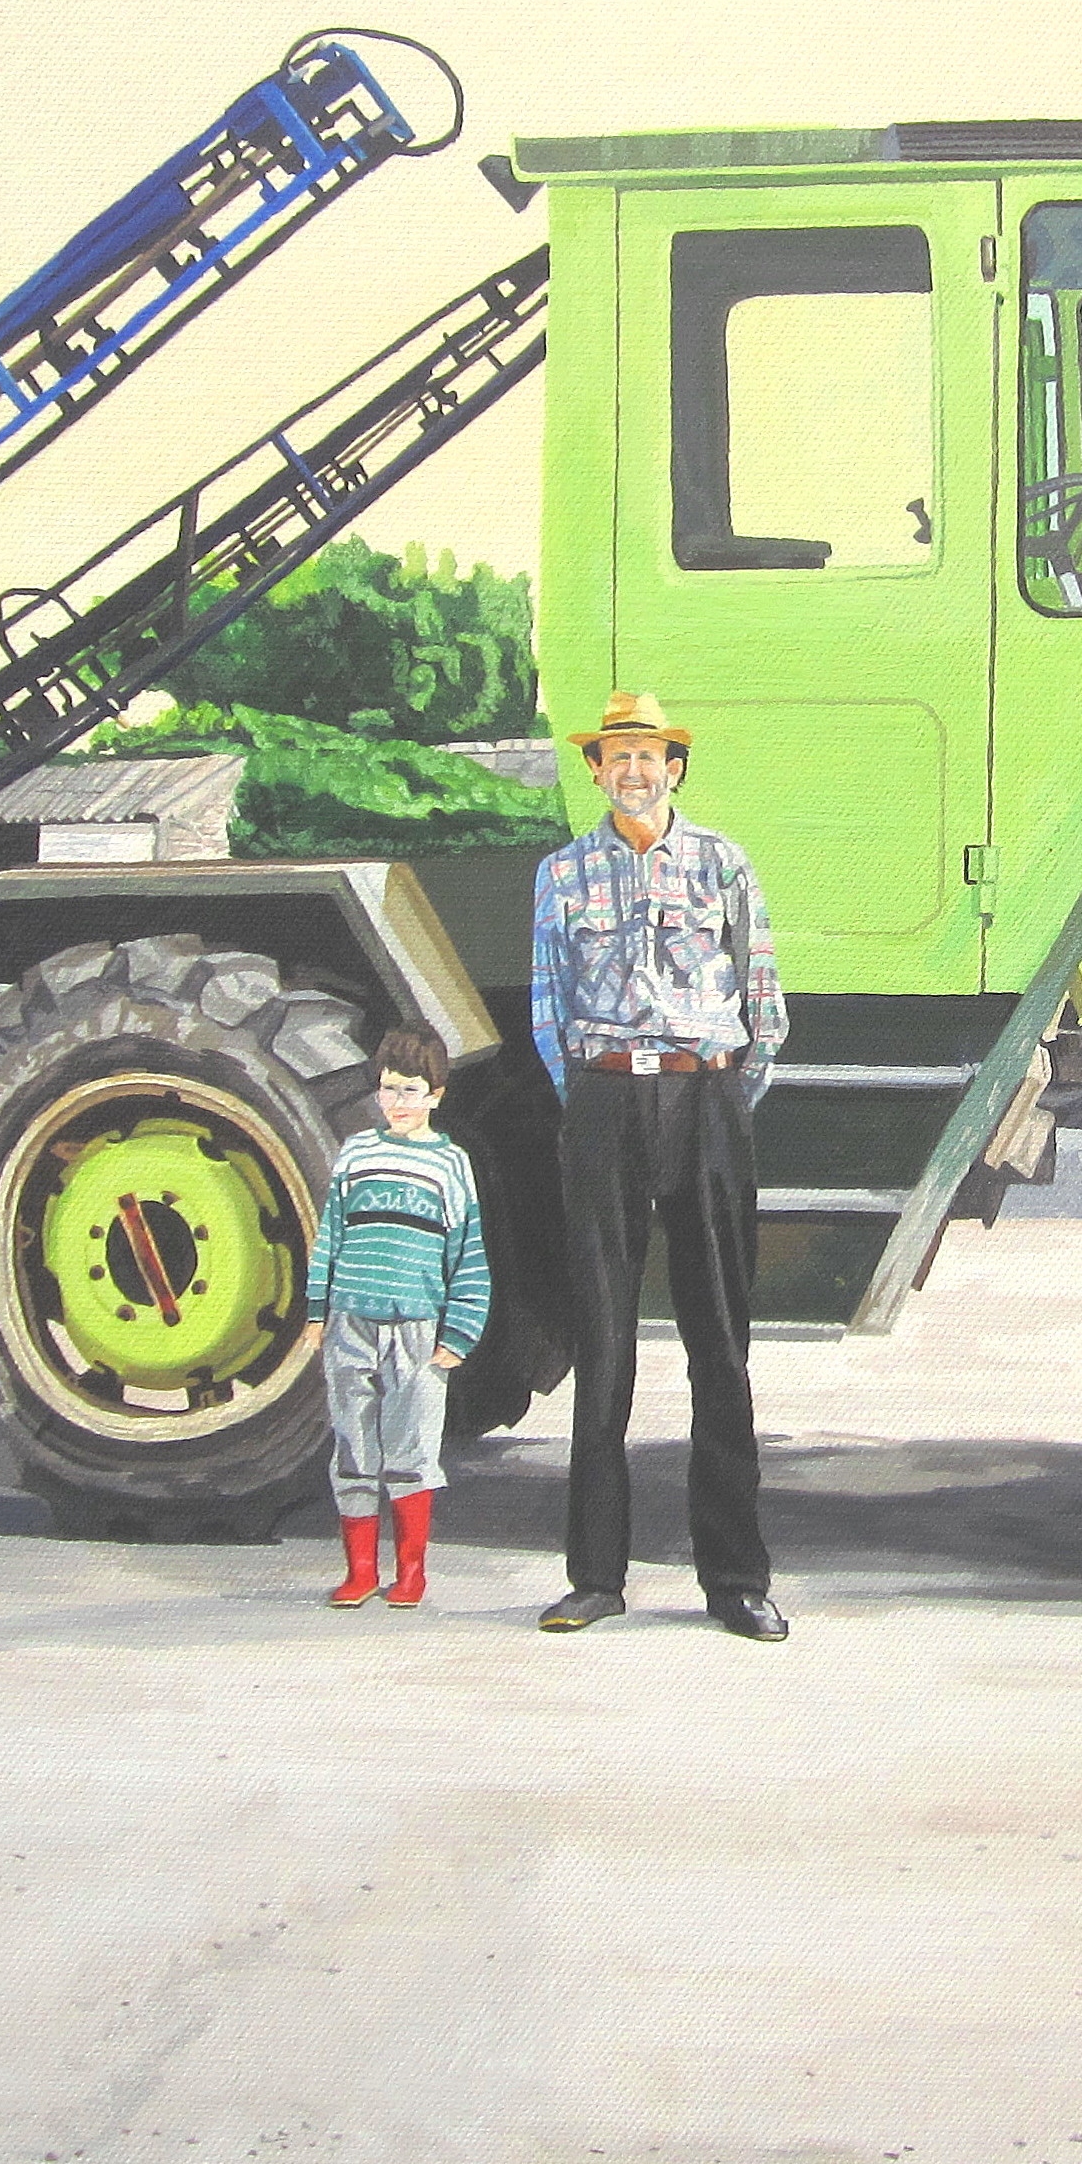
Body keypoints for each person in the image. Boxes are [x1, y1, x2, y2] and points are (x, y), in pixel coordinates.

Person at [528, 691, 790, 1640]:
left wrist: (718, 1091)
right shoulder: (562, 874)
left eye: (649, 755)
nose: (633, 771)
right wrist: (598, 1096)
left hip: (706, 1098)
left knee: (719, 1342)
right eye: (616, 756)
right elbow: (548, 1013)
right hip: (603, 1103)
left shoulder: (723, 864)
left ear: (674, 768)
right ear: (595, 771)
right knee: (604, 1343)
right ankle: (595, 1576)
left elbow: (763, 994)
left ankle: (736, 1581)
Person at [305, 1023, 489, 1612]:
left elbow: (469, 1254)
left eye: (411, 1090)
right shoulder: (356, 1153)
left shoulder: (452, 1165)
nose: (397, 1103)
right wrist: (317, 1314)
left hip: (417, 1330)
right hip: (349, 1324)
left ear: (436, 1094)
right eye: (388, 1090)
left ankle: (411, 1571)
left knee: (412, 1454)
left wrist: (457, 1335)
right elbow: (328, 1238)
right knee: (354, 1449)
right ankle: (360, 1570)